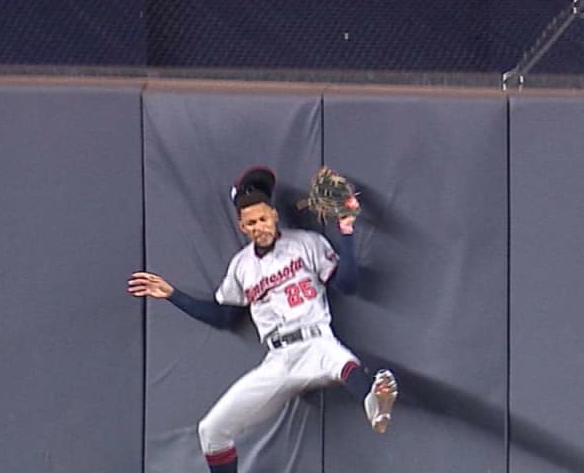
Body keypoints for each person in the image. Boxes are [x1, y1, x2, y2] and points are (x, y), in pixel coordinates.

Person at [128, 166, 398, 473]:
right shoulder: (241, 267)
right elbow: (224, 317)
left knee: (345, 365)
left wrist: (346, 231)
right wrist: (173, 294)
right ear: (242, 227)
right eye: (251, 222)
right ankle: (373, 396)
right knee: (212, 431)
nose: (259, 226)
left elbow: (348, 285)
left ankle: (375, 402)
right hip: (278, 359)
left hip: (316, 341)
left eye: (263, 218)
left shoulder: (306, 243)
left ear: (274, 215)